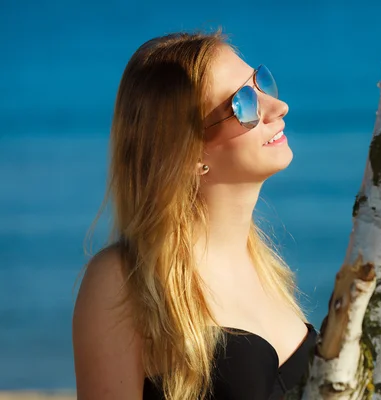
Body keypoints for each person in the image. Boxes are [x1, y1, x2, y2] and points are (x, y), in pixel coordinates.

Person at [72, 31, 317, 400]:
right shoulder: (125, 279)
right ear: (187, 152)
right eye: (244, 104)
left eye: (261, 82)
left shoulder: (269, 272)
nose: (277, 106)